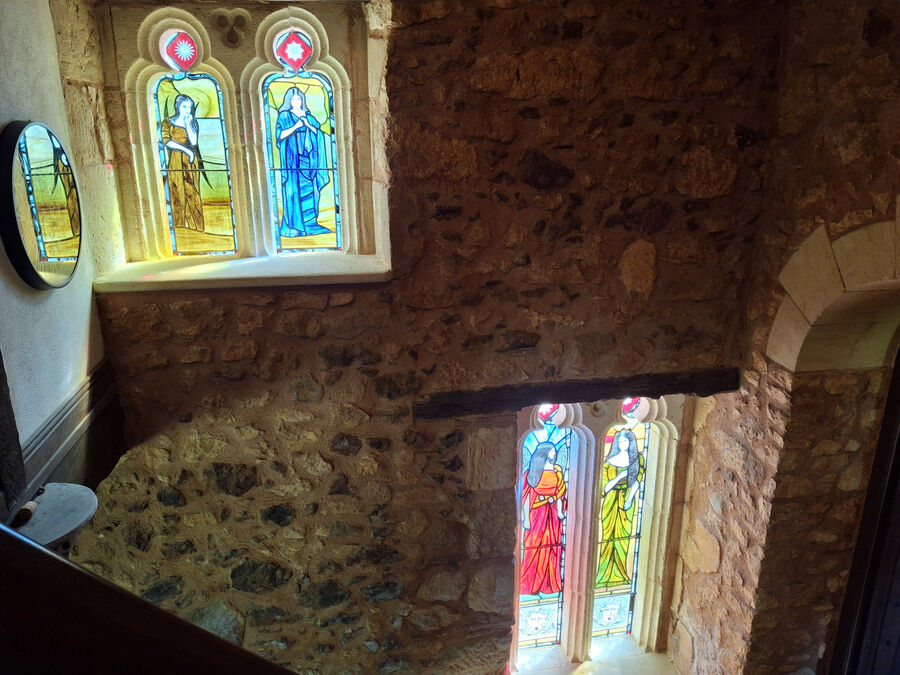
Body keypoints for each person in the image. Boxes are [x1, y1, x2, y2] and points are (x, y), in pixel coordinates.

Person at [275, 88, 331, 238]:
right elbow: (280, 135)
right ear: (288, 101)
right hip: (292, 162)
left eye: (299, 99)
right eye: (293, 99)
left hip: (309, 161)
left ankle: (309, 223)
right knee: (293, 191)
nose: (296, 102)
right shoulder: (284, 116)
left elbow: (318, 133)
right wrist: (296, 127)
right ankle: (295, 226)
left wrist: (307, 125)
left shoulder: (308, 117)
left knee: (310, 190)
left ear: (303, 100)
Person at [596, 429, 644, 588]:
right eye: (620, 441)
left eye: (626, 441)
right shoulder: (609, 462)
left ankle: (621, 574)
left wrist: (629, 500)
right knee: (608, 536)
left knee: (623, 538)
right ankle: (604, 576)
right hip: (610, 501)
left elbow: (637, 481)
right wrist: (619, 477)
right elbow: (605, 488)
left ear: (631, 442)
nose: (623, 444)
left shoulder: (638, 459)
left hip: (627, 500)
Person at [520, 441, 567, 596]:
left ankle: (548, 583)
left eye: (554, 450)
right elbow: (526, 498)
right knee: (534, 547)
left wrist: (560, 512)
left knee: (552, 547)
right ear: (544, 453)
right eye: (552, 450)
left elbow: (560, 494)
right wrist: (526, 519)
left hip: (552, 516)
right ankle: (531, 584)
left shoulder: (557, 471)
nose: (554, 453)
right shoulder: (531, 473)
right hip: (536, 515)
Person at [162, 94, 205, 232]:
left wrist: (188, 124)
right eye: (184, 106)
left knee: (192, 192)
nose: (187, 110)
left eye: (189, 107)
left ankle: (197, 229)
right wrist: (186, 151)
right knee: (176, 191)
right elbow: (166, 141)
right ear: (177, 106)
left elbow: (194, 142)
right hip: (175, 161)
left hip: (190, 162)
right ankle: (179, 227)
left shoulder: (192, 122)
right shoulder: (167, 122)